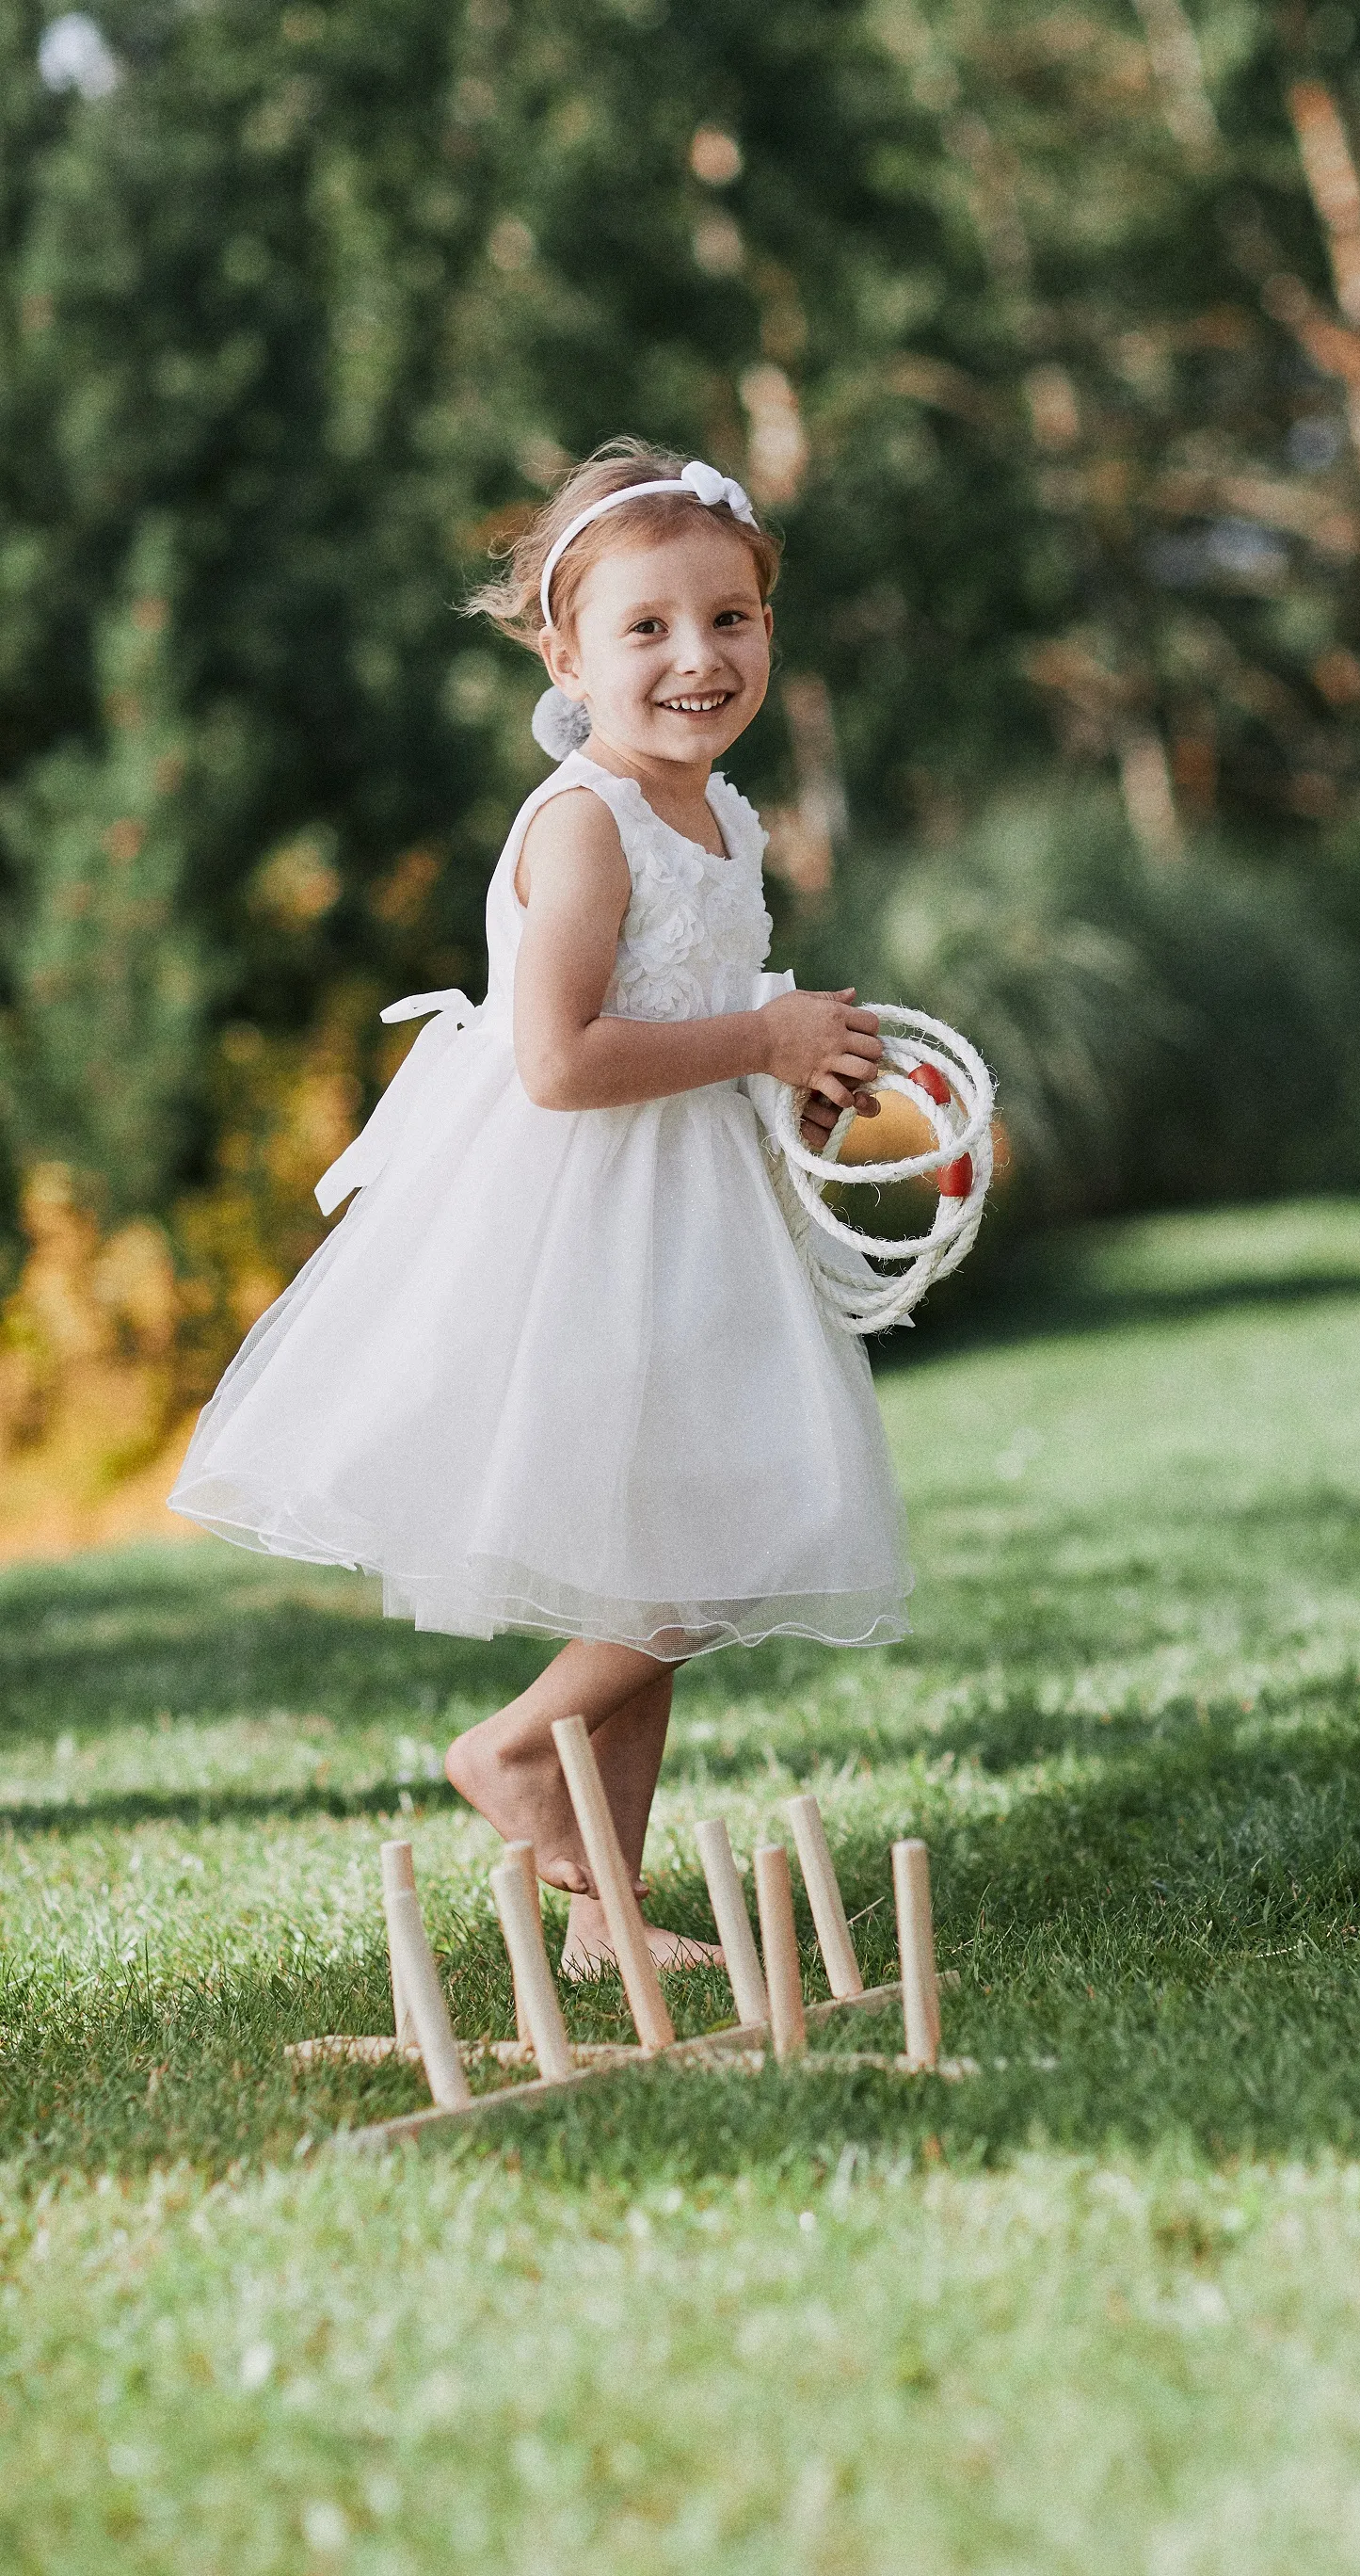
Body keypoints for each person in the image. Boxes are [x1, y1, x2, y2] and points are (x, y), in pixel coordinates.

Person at [169, 438, 912, 1970]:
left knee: (651, 1544)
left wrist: (788, 1067)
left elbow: (692, 1007)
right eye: (647, 629)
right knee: (713, 1546)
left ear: (771, 626)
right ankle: (517, 1749)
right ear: (565, 653)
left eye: (732, 620)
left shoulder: (723, 815)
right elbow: (564, 1058)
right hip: (581, 1216)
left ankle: (605, 1922)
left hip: (688, 1205)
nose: (697, 659)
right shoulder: (585, 820)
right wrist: (758, 1036)